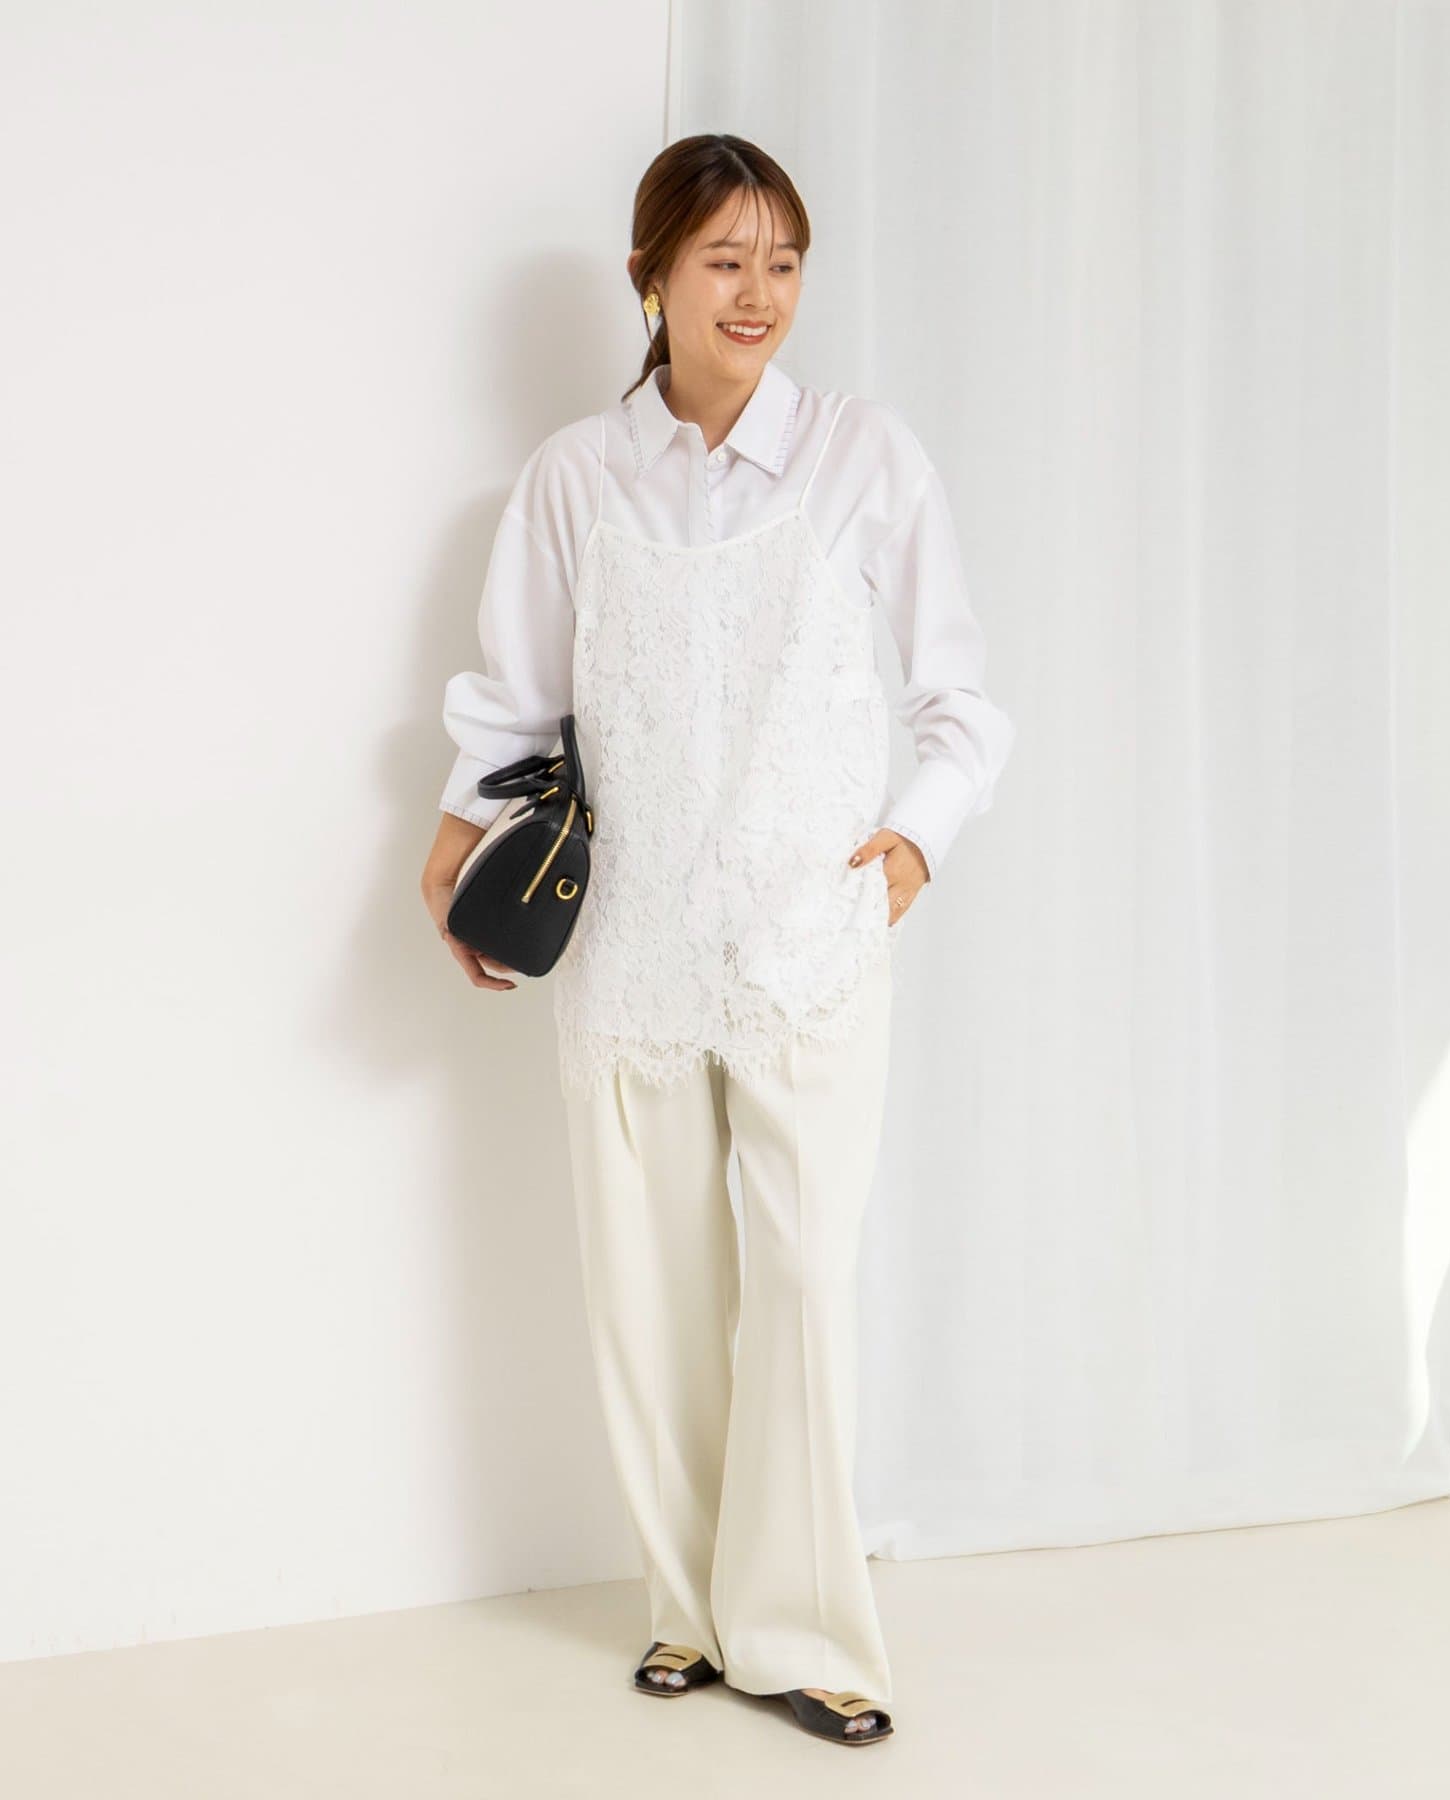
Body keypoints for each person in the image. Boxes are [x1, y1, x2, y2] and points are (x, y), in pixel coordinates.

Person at [419, 133, 1015, 1748]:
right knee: (653, 1295)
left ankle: (804, 1634)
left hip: (808, 941)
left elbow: (962, 697)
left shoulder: (864, 457)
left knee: (802, 1283)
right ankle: (689, 1612)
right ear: (651, 277)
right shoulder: (573, 477)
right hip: (627, 944)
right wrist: (462, 838)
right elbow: (514, 698)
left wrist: (915, 841)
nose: (759, 294)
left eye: (784, 261)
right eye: (724, 261)